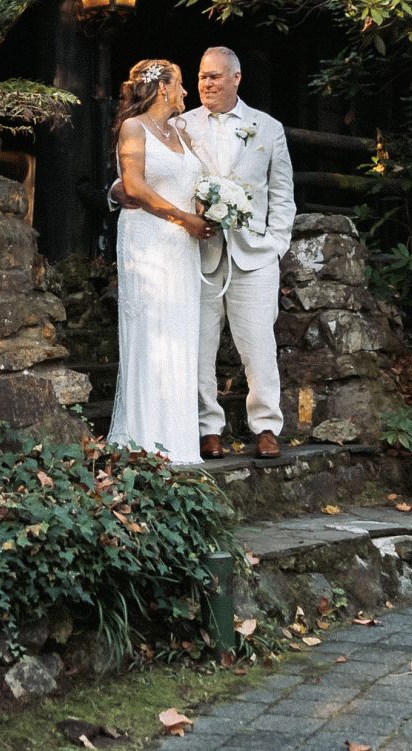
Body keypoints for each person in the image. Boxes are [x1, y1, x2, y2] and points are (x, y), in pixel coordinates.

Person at [177, 47, 295, 459]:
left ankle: (265, 427)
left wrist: (276, 246)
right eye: (201, 76)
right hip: (201, 253)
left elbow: (282, 194)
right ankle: (207, 427)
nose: (206, 84)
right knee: (200, 343)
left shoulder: (267, 127)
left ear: (236, 78)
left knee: (258, 344)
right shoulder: (181, 125)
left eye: (214, 77)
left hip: (254, 256)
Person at [106, 59, 212, 462]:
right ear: (163, 88)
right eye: (182, 85)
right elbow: (133, 185)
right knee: (151, 335)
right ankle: (145, 440)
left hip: (181, 248)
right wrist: (184, 217)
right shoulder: (134, 129)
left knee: (180, 336)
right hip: (148, 242)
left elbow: (191, 181)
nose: (186, 93)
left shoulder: (180, 133)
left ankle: (179, 443)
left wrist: (208, 206)